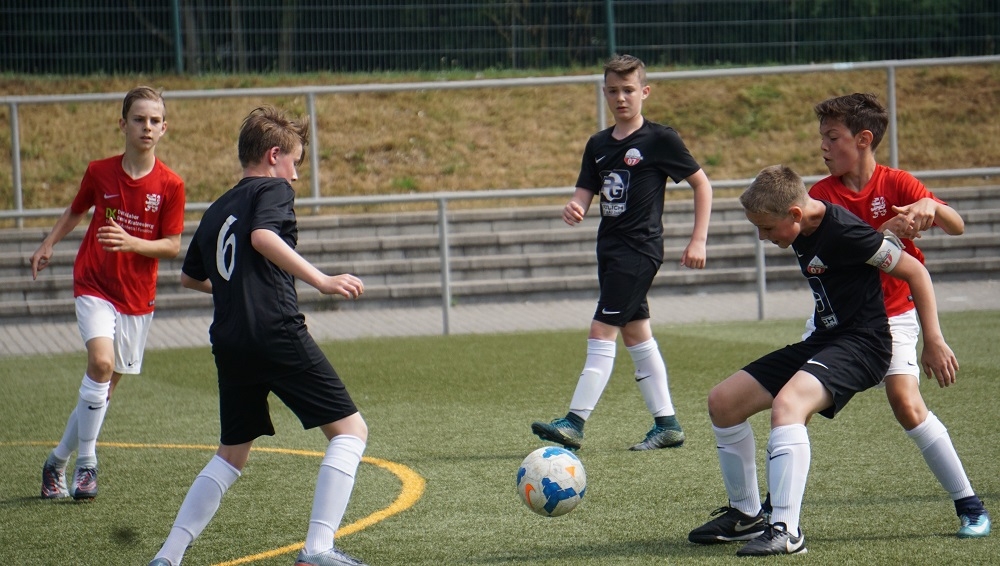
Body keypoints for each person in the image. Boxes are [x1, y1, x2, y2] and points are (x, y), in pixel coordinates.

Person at [688, 164, 959, 556]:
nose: (762, 237)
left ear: (795, 214)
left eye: (766, 228)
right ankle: (746, 515)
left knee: (789, 405)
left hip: (865, 344)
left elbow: (915, 272)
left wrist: (932, 339)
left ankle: (786, 531)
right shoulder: (804, 222)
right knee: (723, 401)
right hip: (826, 338)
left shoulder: (845, 232)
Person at [148, 106, 368, 566]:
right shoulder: (273, 189)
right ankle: (318, 549)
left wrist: (238, 289)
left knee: (230, 455)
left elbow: (190, 277)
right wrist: (323, 280)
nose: (295, 175)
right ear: (273, 156)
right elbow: (263, 238)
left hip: (230, 340)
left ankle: (167, 557)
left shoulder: (217, 208)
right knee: (350, 431)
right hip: (273, 329)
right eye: (295, 162)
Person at [796, 92, 989, 538]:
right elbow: (834, 258)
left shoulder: (897, 183)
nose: (823, 146)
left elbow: (957, 225)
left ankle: (971, 506)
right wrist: (881, 234)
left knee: (906, 403)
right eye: (822, 137)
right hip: (836, 321)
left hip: (893, 318)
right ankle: (774, 510)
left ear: (863, 139)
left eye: (832, 137)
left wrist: (931, 207)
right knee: (793, 405)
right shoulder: (821, 195)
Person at [530, 54, 713, 452]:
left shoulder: (660, 139)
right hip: (610, 251)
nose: (621, 98)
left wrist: (698, 239)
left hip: (640, 250)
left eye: (629, 90)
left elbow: (702, 184)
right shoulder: (597, 144)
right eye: (613, 90)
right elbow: (585, 190)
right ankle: (667, 424)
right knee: (636, 333)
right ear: (604, 93)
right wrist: (575, 206)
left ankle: (574, 422)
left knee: (602, 330)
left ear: (645, 92)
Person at [32, 86, 186, 501]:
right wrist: (49, 243)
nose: (147, 127)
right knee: (100, 364)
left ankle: (56, 463)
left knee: (102, 391)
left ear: (164, 128)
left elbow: (172, 245)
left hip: (136, 297)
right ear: (123, 124)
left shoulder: (171, 184)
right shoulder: (99, 172)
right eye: (139, 119)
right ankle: (87, 465)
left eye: (155, 121)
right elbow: (76, 209)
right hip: (94, 284)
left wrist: (132, 243)